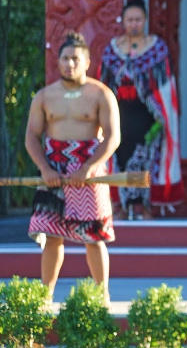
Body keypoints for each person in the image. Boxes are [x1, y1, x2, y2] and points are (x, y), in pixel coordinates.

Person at [25, 32, 120, 306]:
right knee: (52, 236)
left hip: (90, 170)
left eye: (75, 59)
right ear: (58, 62)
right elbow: (32, 136)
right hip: (53, 168)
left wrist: (88, 168)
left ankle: (102, 297)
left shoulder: (101, 93)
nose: (70, 64)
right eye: (65, 59)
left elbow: (113, 137)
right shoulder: (44, 96)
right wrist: (45, 168)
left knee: (94, 236)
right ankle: (45, 297)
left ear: (87, 62)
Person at [99, 0, 183, 220]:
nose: (134, 24)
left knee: (146, 159)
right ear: (123, 22)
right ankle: (119, 205)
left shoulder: (157, 49)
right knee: (119, 158)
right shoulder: (112, 51)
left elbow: (166, 88)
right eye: (130, 19)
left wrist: (162, 117)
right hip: (120, 116)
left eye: (138, 19)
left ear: (144, 20)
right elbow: (103, 86)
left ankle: (143, 205)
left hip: (148, 116)